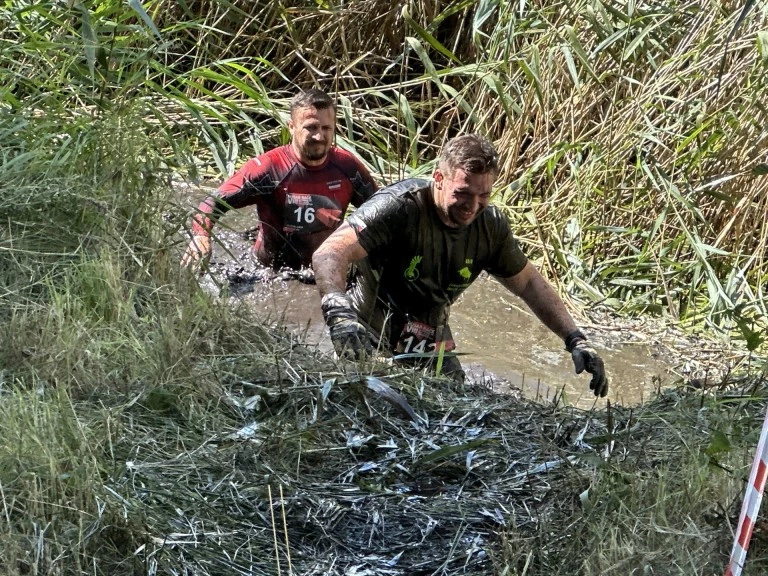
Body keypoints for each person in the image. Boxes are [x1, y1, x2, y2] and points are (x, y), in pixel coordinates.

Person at [312, 133, 608, 397]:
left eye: (484, 196)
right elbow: (329, 253)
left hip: (428, 333)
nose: (472, 206)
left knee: (457, 407)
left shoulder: (490, 227)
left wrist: (576, 339)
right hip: (367, 329)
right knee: (378, 406)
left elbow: (529, 283)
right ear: (438, 179)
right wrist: (338, 314)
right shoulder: (400, 207)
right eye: (463, 194)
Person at [181, 88, 378, 272]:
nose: (319, 136)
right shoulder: (269, 168)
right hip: (270, 273)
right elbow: (211, 203)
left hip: (324, 270)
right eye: (311, 127)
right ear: (292, 127)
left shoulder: (347, 168)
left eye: (326, 128)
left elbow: (380, 210)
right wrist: (200, 236)